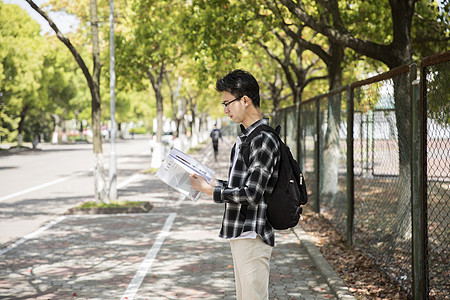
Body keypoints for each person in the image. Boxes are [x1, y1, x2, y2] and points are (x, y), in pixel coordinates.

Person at [189, 69, 280, 300]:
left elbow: (252, 194)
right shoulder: (246, 138)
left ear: (245, 100)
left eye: (227, 103)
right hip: (241, 234)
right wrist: (210, 183)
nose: (225, 109)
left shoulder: (263, 139)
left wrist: (211, 190)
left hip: (253, 235)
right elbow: (241, 186)